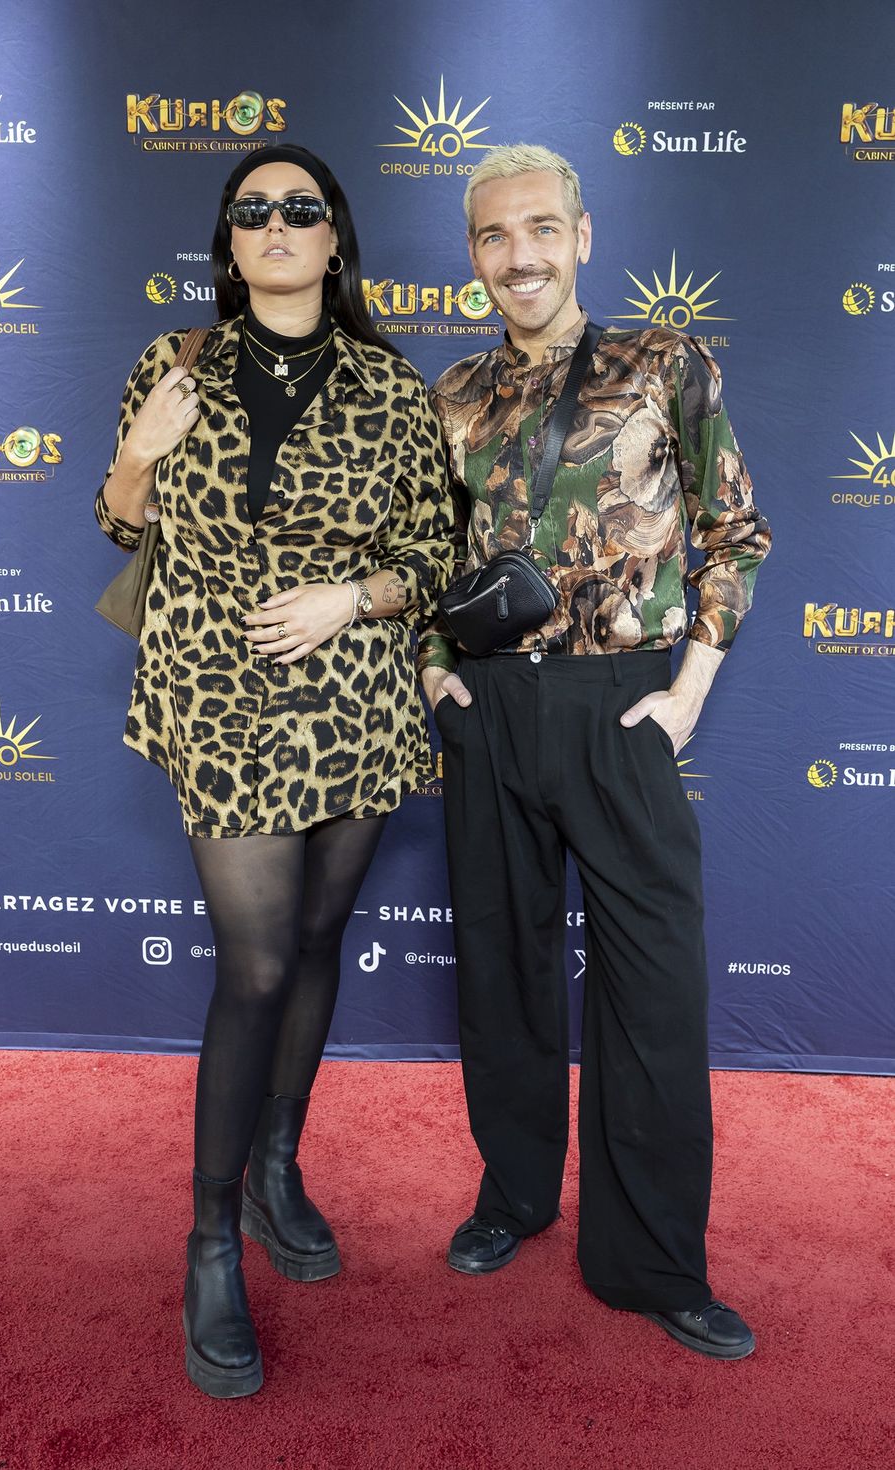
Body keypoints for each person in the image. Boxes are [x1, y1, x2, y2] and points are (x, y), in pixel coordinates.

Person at [96, 145, 454, 1397]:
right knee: (251, 964)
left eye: (301, 207)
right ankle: (208, 1244)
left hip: (350, 700)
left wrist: (348, 594)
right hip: (215, 694)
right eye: (253, 212)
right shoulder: (175, 365)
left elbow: (430, 547)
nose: (277, 225)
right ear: (229, 245)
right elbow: (121, 523)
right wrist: (138, 450)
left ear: (335, 239)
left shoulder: (391, 387)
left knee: (311, 944)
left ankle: (276, 1168)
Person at [418, 144, 771, 1360]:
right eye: (490, 238)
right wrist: (431, 668)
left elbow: (735, 532)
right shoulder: (451, 390)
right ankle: (514, 1195)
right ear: (472, 255)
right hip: (490, 714)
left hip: (625, 706)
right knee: (502, 974)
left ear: (580, 232)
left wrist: (686, 692)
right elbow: (427, 560)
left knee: (652, 994)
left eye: (537, 230)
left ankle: (655, 1259)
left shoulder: (663, 361)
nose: (516, 257)